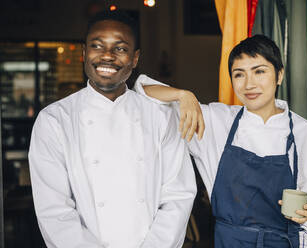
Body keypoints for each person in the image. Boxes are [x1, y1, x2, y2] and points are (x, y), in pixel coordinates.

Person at [134, 35, 307, 247]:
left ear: (279, 75)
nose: (249, 84)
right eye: (239, 74)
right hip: (229, 241)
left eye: (259, 71)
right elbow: (144, 92)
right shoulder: (215, 121)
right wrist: (183, 95)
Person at [28, 10, 196, 248]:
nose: (107, 56)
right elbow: (54, 211)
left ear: (135, 58)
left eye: (120, 48)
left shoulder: (161, 117)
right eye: (97, 46)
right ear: (84, 53)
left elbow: (178, 196)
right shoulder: (54, 120)